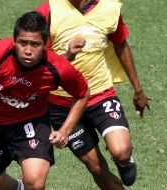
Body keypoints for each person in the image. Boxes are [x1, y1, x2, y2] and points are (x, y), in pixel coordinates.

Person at [0, 11, 89, 190]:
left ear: (45, 44)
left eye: (35, 44)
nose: (28, 50)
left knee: (35, 182)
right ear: (14, 40)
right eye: (23, 43)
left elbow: (83, 93)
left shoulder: (58, 68)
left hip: (31, 121)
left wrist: (64, 130)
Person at [37, 0, 151, 189]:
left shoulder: (110, 7)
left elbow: (120, 44)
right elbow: (37, 57)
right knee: (96, 167)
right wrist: (66, 55)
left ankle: (124, 161)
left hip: (100, 95)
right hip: (61, 104)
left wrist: (138, 89)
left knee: (121, 151)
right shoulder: (49, 9)